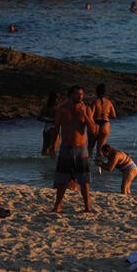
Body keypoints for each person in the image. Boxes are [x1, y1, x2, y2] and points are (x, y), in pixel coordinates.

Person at [51, 85, 98, 213]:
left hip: (81, 148)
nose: (80, 97)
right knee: (61, 180)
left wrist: (85, 116)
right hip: (66, 147)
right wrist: (52, 146)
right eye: (77, 94)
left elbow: (93, 131)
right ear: (70, 95)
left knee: (84, 180)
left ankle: (87, 207)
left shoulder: (86, 109)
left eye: (82, 94)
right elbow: (56, 129)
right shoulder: (62, 109)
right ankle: (57, 207)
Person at [88, 83, 116, 156]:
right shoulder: (109, 102)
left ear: (96, 92)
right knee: (100, 150)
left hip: (95, 124)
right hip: (105, 125)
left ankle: (88, 166)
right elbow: (114, 116)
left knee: (90, 148)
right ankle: (99, 166)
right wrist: (106, 115)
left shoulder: (95, 102)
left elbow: (90, 115)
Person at [39, 92, 60, 158]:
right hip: (53, 127)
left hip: (46, 127)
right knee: (53, 147)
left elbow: (39, 117)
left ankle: (44, 164)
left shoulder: (45, 107)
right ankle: (52, 164)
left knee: (45, 148)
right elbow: (59, 119)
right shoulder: (57, 108)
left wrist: (47, 119)